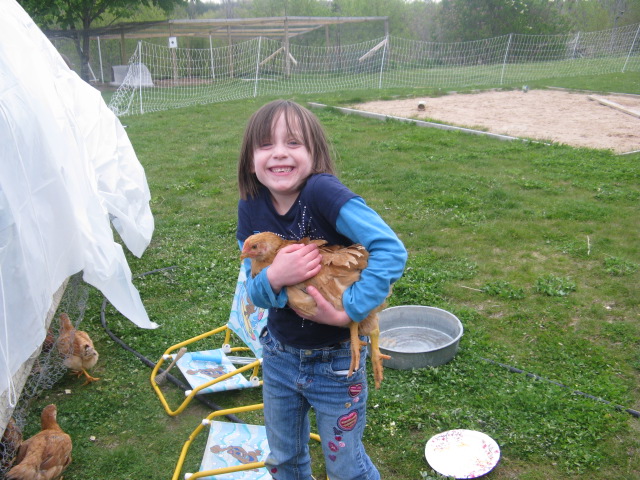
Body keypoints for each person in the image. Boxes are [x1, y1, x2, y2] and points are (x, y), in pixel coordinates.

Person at [237, 99, 407, 480]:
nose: (279, 152)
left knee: (345, 467)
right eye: (265, 145)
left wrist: (351, 311)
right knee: (283, 459)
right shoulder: (251, 207)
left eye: (293, 143)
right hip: (279, 357)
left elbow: (390, 250)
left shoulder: (323, 194)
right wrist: (276, 276)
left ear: (315, 154)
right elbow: (255, 292)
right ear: (251, 160)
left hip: (336, 363)